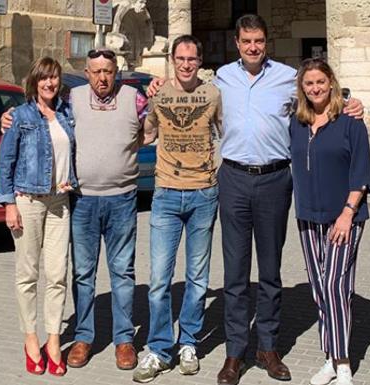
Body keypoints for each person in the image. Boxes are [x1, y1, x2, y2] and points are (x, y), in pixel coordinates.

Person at [146, 15, 363, 385]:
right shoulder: (221, 79)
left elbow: (319, 92)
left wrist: (349, 100)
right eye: (247, 41)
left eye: (259, 41)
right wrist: (155, 85)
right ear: (237, 42)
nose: (253, 47)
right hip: (232, 178)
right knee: (234, 273)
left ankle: (268, 346)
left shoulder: (285, 77)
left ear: (265, 43)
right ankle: (235, 352)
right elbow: (185, 86)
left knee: (270, 271)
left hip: (275, 180)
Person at [1, 48, 151, 370]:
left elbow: (151, 128)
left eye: (107, 71)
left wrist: (159, 91)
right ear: (87, 74)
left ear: (117, 72)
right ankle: (83, 337)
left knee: (122, 273)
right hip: (81, 200)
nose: (102, 77)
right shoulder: (72, 100)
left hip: (122, 199)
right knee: (83, 274)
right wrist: (8, 118)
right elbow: (40, 112)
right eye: (96, 71)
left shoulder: (133, 98)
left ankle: (124, 340)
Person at [132, 34, 222, 383]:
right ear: (172, 60)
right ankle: (158, 349)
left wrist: (218, 172)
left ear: (200, 61)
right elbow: (146, 134)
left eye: (192, 59)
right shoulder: (159, 94)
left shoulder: (213, 94)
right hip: (166, 193)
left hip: (203, 194)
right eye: (180, 59)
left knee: (198, 278)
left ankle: (188, 342)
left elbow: (226, 133)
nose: (186, 64)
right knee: (159, 280)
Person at [289, 58, 370, 385]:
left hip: (344, 216)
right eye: (308, 84)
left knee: (336, 285)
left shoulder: (351, 121)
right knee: (319, 287)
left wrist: (348, 213)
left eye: (320, 82)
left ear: (332, 83)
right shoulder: (296, 121)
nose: (315, 89)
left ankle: (343, 364)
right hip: (308, 215)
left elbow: (361, 174)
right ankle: (329, 357)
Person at [0, 57, 77, 376]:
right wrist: (8, 205)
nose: (49, 83)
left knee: (57, 275)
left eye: (54, 78)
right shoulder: (20, 115)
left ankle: (53, 340)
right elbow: (6, 162)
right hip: (27, 200)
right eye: (44, 78)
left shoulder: (67, 113)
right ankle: (31, 339)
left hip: (60, 201)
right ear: (35, 81)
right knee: (27, 275)